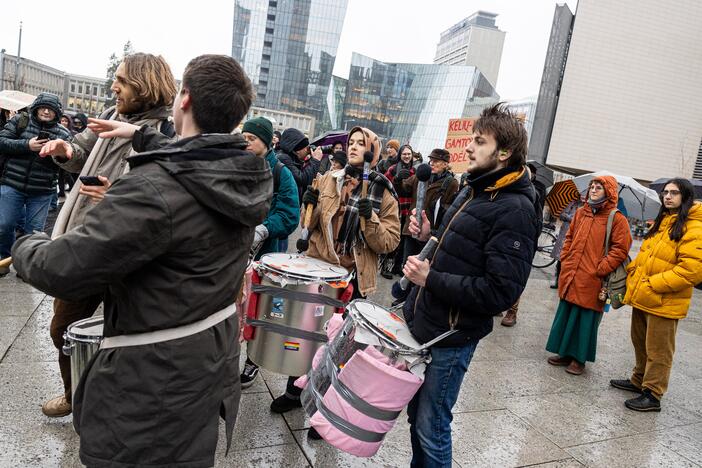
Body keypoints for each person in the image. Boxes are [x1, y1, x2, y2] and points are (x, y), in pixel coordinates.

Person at [14, 53, 271, 467]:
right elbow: (193, 156)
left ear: (183, 99)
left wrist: (25, 241)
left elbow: (59, 268)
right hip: (205, 369)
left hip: (150, 389)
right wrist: (137, 133)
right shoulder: (246, 176)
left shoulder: (155, 190)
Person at [36, 52, 177, 418]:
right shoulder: (113, 115)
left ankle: (119, 405)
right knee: (63, 328)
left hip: (133, 255)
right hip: (89, 241)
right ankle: (74, 395)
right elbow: (82, 149)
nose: (113, 86)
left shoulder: (168, 133)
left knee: (126, 336)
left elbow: (168, 193)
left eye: (122, 81)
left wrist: (117, 193)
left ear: (144, 85)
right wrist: (66, 150)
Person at [402, 104, 539, 467]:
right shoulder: (473, 190)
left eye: (479, 141)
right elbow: (452, 250)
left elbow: (500, 292)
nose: (468, 147)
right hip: (427, 324)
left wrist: (430, 279)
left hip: (452, 337)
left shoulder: (516, 210)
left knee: (432, 427)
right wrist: (427, 236)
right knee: (418, 420)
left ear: (504, 152)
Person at [270, 126, 400, 415]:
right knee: (307, 335)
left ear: (372, 151)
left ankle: (322, 404)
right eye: (350, 142)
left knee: (337, 345)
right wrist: (311, 206)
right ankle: (294, 392)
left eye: (360, 143)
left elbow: (389, 243)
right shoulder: (328, 178)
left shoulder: (384, 190)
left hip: (352, 278)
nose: (353, 147)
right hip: (319, 270)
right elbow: (310, 227)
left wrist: (372, 218)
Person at [611, 179, 702, 412]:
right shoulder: (663, 222)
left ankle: (653, 393)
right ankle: (638, 380)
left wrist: (653, 284)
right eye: (665, 193)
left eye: (674, 193)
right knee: (640, 342)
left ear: (686, 196)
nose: (667, 197)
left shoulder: (694, 226)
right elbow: (645, 256)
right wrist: (633, 274)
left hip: (665, 300)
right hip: (644, 295)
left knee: (659, 350)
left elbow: (692, 270)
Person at [545, 176, 632, 375]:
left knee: (585, 318)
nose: (593, 190)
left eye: (598, 187)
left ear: (608, 191)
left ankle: (579, 359)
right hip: (572, 273)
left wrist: (600, 268)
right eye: (592, 187)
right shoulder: (581, 212)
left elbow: (621, 249)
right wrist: (565, 259)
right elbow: (569, 237)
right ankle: (564, 353)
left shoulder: (616, 218)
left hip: (593, 277)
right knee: (567, 312)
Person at [238, 116, 300, 389]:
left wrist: (264, 229)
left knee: (261, 311)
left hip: (266, 256)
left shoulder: (281, 173)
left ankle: (252, 360)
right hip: (236, 253)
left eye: (251, 138)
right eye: (244, 138)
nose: (246, 142)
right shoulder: (237, 167)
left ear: (266, 141)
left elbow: (290, 216)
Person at [0, 93, 71, 262]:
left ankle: (24, 264)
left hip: (42, 190)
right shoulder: (20, 121)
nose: (46, 111)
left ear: (57, 113)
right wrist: (27, 145)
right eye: (43, 107)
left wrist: (57, 154)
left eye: (51, 109)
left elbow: (68, 163)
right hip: (12, 183)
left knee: (33, 232)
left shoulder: (64, 134)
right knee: (3, 225)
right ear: (36, 108)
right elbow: (2, 141)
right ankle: (4, 257)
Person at [501, 163, 547, 326]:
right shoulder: (508, 188)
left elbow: (537, 220)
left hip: (524, 241)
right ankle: (498, 303)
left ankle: (512, 311)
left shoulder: (537, 191)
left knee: (516, 275)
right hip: (505, 237)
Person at [400, 148, 459, 263]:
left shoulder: (451, 182)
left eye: (436, 161)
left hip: (430, 232)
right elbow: (403, 190)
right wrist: (397, 179)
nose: (432, 163)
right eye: (431, 160)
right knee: (407, 264)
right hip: (412, 227)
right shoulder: (421, 175)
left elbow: (449, 210)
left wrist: (438, 206)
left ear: (445, 164)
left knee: (422, 266)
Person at [383, 144, 415, 277]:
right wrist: (396, 179)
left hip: (408, 209)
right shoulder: (393, 169)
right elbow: (384, 183)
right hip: (395, 207)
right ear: (400, 155)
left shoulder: (414, 171)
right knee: (393, 237)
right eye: (404, 154)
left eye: (409, 154)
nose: (407, 156)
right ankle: (386, 268)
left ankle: (397, 266)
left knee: (403, 239)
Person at [276, 127, 322, 204]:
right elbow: (302, 179)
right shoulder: (283, 158)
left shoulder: (292, 158)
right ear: (297, 150)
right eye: (306, 149)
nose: (308, 151)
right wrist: (315, 160)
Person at [549, 198, 582, 289]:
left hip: (577, 236)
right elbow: (562, 215)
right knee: (561, 258)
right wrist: (573, 219)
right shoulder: (572, 203)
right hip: (565, 234)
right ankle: (557, 281)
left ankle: (566, 282)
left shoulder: (587, 207)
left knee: (571, 261)